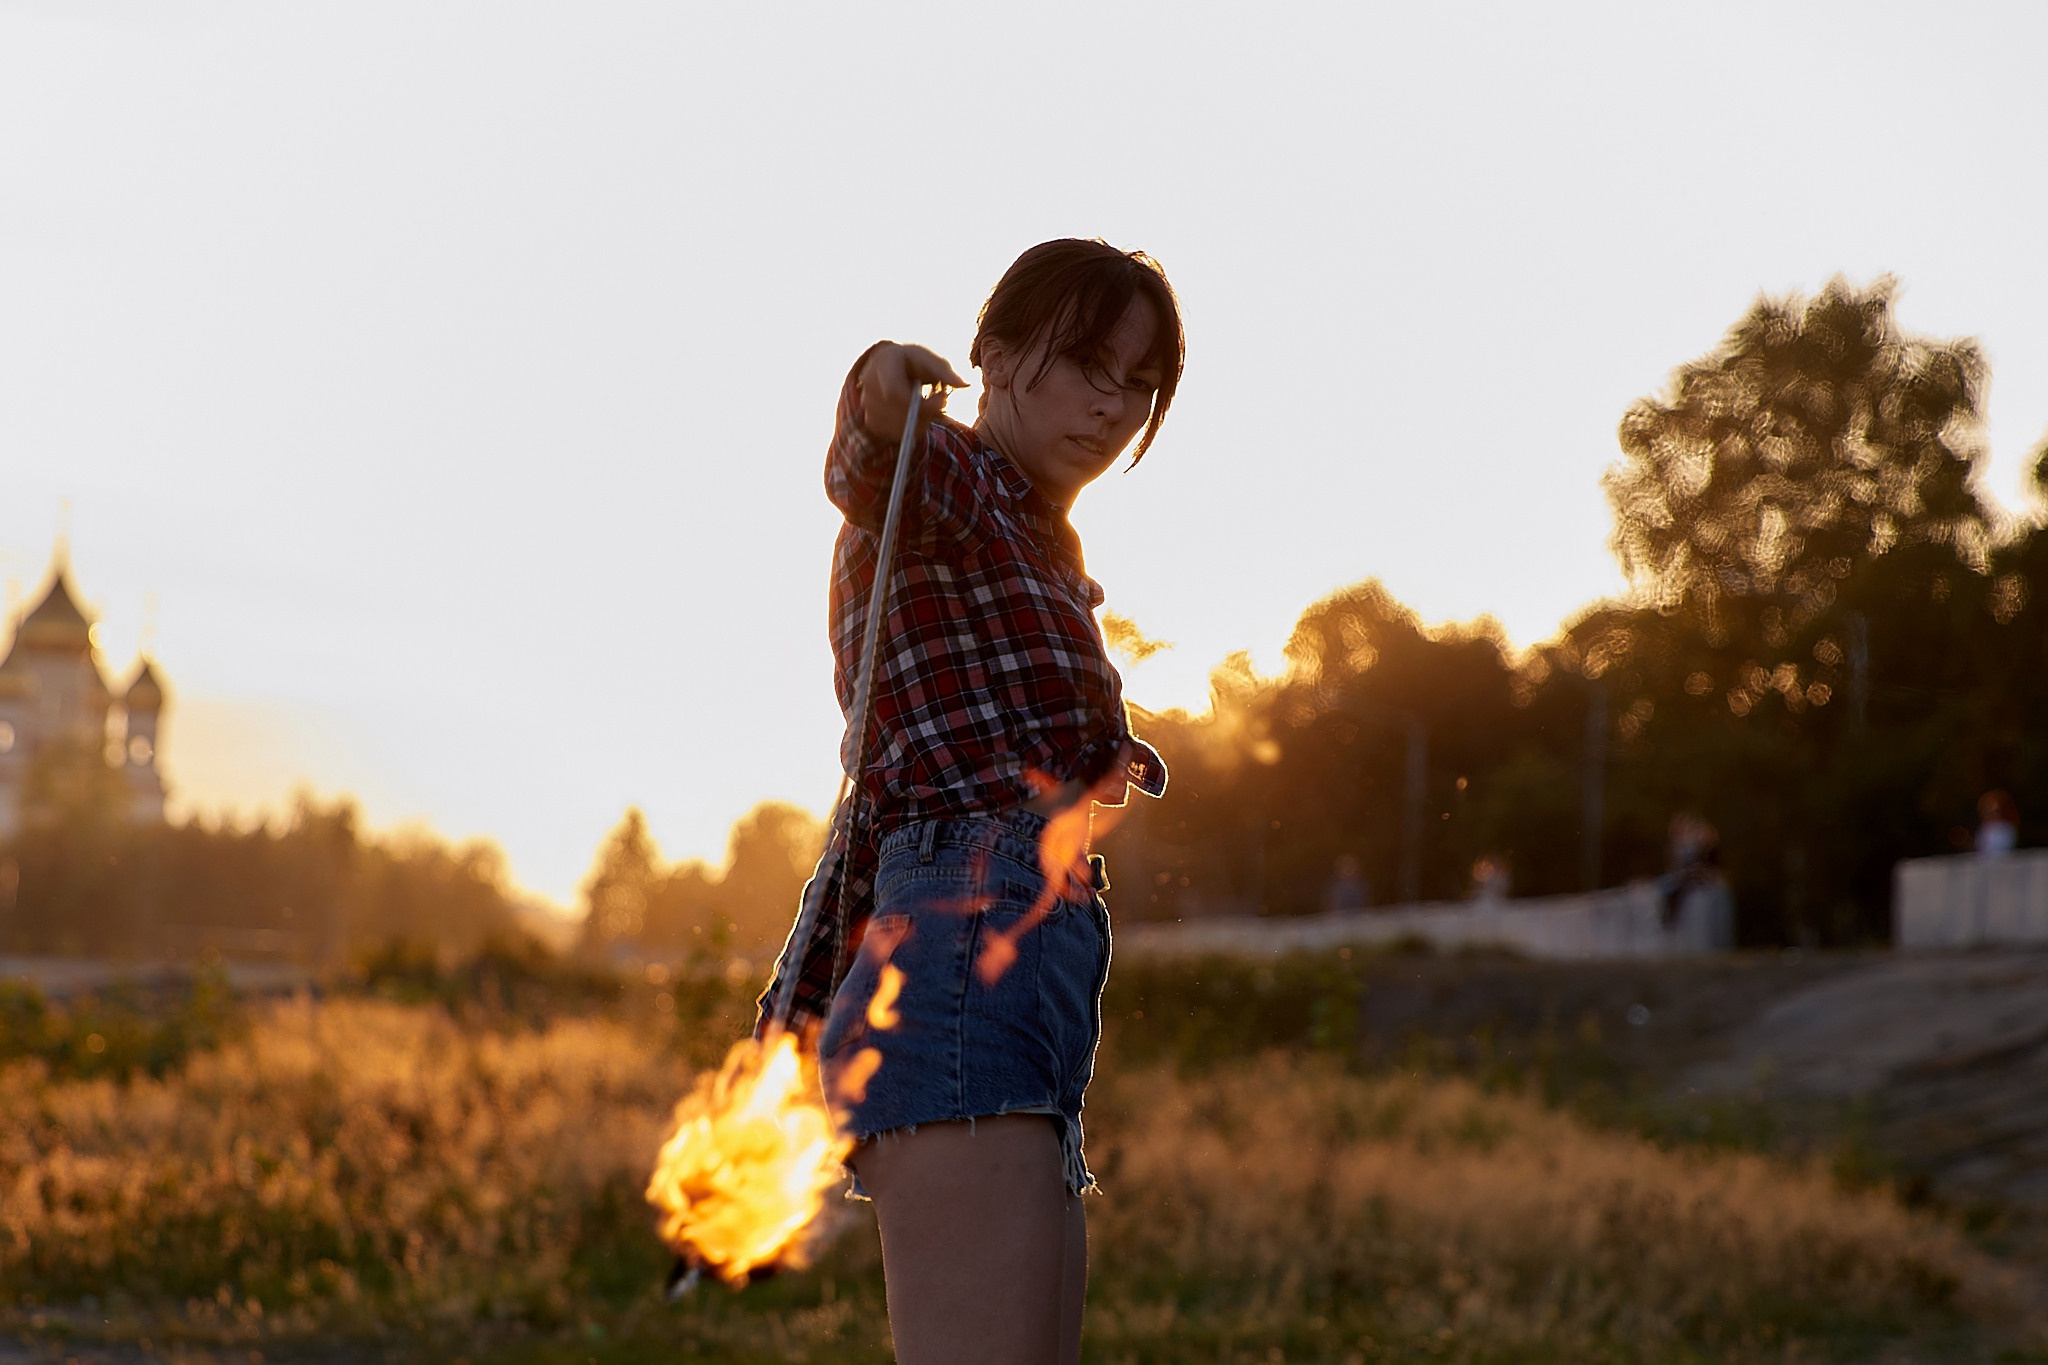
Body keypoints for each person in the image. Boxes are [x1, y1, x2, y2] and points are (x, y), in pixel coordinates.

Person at [760, 239, 1183, 1365]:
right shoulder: (947, 481)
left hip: (1030, 969)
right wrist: (883, 379)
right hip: (959, 951)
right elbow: (868, 453)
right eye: (1088, 363)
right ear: (991, 353)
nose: (1111, 404)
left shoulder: (1043, 540)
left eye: (1138, 385)